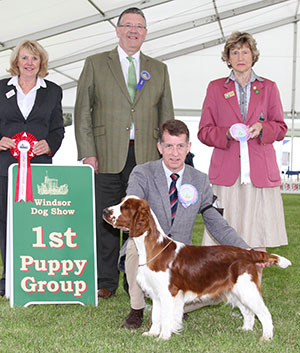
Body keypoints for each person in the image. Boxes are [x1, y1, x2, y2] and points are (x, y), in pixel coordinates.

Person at [74, 7, 174, 299]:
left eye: (139, 26)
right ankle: (106, 280)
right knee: (107, 218)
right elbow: (82, 111)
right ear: (117, 30)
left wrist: (165, 155)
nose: (133, 30)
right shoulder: (95, 63)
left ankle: (138, 279)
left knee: (142, 222)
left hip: (145, 157)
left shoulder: (159, 69)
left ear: (145, 32)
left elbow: (166, 114)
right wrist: (87, 152)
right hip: (104, 154)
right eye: (128, 25)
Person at [122, 119, 249, 329]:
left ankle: (171, 306)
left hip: (181, 259)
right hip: (150, 252)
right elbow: (132, 203)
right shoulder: (142, 173)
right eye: (169, 146)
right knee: (135, 247)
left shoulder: (199, 179)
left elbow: (217, 223)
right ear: (159, 147)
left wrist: (246, 250)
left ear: (188, 147)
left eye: (180, 146)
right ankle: (136, 310)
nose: (174, 153)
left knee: (217, 289)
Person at [197, 32, 288, 281]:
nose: (240, 57)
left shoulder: (269, 88)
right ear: (227, 58)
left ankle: (253, 294)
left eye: (245, 51)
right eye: (234, 52)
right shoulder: (216, 88)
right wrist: (226, 133)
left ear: (253, 56)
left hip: (260, 176)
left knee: (258, 239)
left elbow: (280, 127)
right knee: (223, 239)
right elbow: (204, 131)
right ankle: (218, 289)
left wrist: (263, 129)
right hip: (227, 174)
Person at [0, 40, 65, 296]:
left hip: (39, 168)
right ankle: (8, 277)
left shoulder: (53, 91)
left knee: (37, 221)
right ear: (16, 61)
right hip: (5, 168)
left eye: (34, 59)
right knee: (6, 223)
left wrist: (49, 145)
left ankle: (35, 274)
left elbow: (58, 129)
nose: (29, 63)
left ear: (42, 63)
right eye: (25, 58)